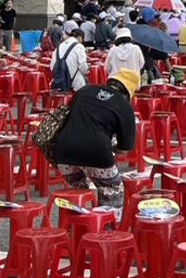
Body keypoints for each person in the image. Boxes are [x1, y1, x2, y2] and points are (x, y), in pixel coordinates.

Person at [50, 69, 139, 207]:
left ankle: (76, 224)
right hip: (97, 153)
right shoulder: (124, 107)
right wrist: (110, 146)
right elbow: (124, 149)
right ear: (129, 92)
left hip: (63, 152)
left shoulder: (85, 90)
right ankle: (107, 226)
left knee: (78, 191)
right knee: (112, 190)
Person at [51, 23, 89, 94]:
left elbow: (52, 66)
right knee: (86, 84)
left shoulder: (59, 47)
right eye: (82, 39)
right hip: (74, 84)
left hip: (58, 81)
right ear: (79, 37)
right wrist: (87, 70)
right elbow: (83, 66)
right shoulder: (79, 46)